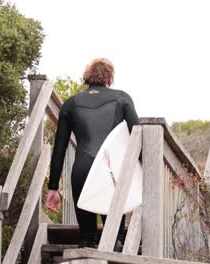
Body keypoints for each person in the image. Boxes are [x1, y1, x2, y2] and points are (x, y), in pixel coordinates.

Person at [45, 58, 139, 251]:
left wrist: (53, 187)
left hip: (82, 171)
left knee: (86, 240)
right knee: (113, 240)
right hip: (111, 171)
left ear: (87, 78)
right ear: (110, 78)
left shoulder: (71, 104)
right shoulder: (122, 99)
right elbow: (137, 137)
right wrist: (143, 174)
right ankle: (116, 245)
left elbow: (60, 147)